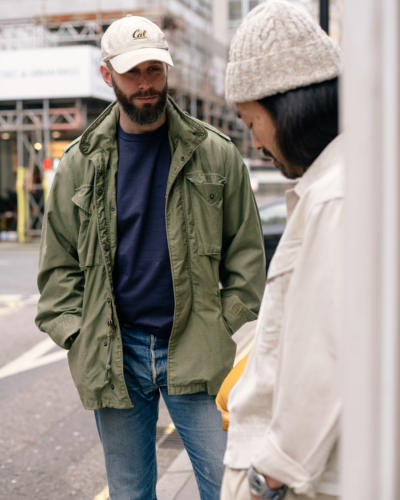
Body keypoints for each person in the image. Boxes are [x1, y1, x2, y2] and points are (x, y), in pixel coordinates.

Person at [35, 14, 266, 500]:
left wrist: (217, 322)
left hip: (196, 349)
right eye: (133, 72)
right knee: (130, 491)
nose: (146, 84)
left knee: (229, 487)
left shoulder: (216, 154)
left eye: (154, 70)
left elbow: (247, 259)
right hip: (115, 354)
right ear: (107, 76)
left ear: (167, 70)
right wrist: (79, 335)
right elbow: (58, 271)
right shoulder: (80, 164)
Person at [220, 2, 343, 499]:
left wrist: (265, 480)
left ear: (288, 111)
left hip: (294, 483)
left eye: (252, 122)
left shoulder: (335, 196)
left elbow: (326, 361)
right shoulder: (337, 184)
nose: (255, 143)